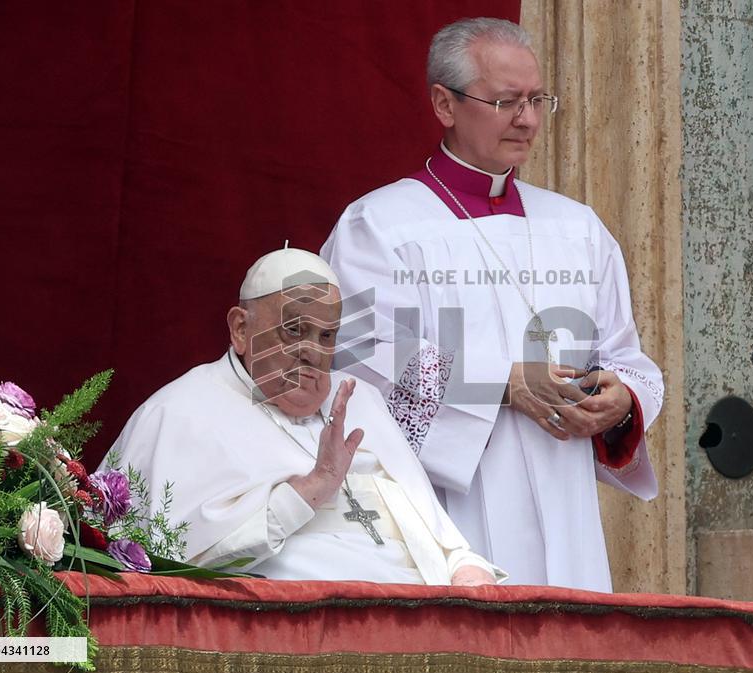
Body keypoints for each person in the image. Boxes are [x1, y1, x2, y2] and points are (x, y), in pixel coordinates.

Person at [321, 17, 664, 591]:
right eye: (506, 101)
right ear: (445, 105)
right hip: (450, 507)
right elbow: (360, 358)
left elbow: (626, 356)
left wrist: (621, 401)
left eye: (536, 100)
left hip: (566, 504)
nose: (527, 120)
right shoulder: (379, 226)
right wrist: (502, 382)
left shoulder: (577, 228)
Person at [105, 247, 501, 586]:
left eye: (326, 336)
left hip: (418, 609)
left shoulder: (359, 399)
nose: (312, 351)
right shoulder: (176, 413)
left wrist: (463, 564)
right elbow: (175, 564)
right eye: (294, 330)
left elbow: (424, 515)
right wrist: (312, 487)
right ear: (241, 330)